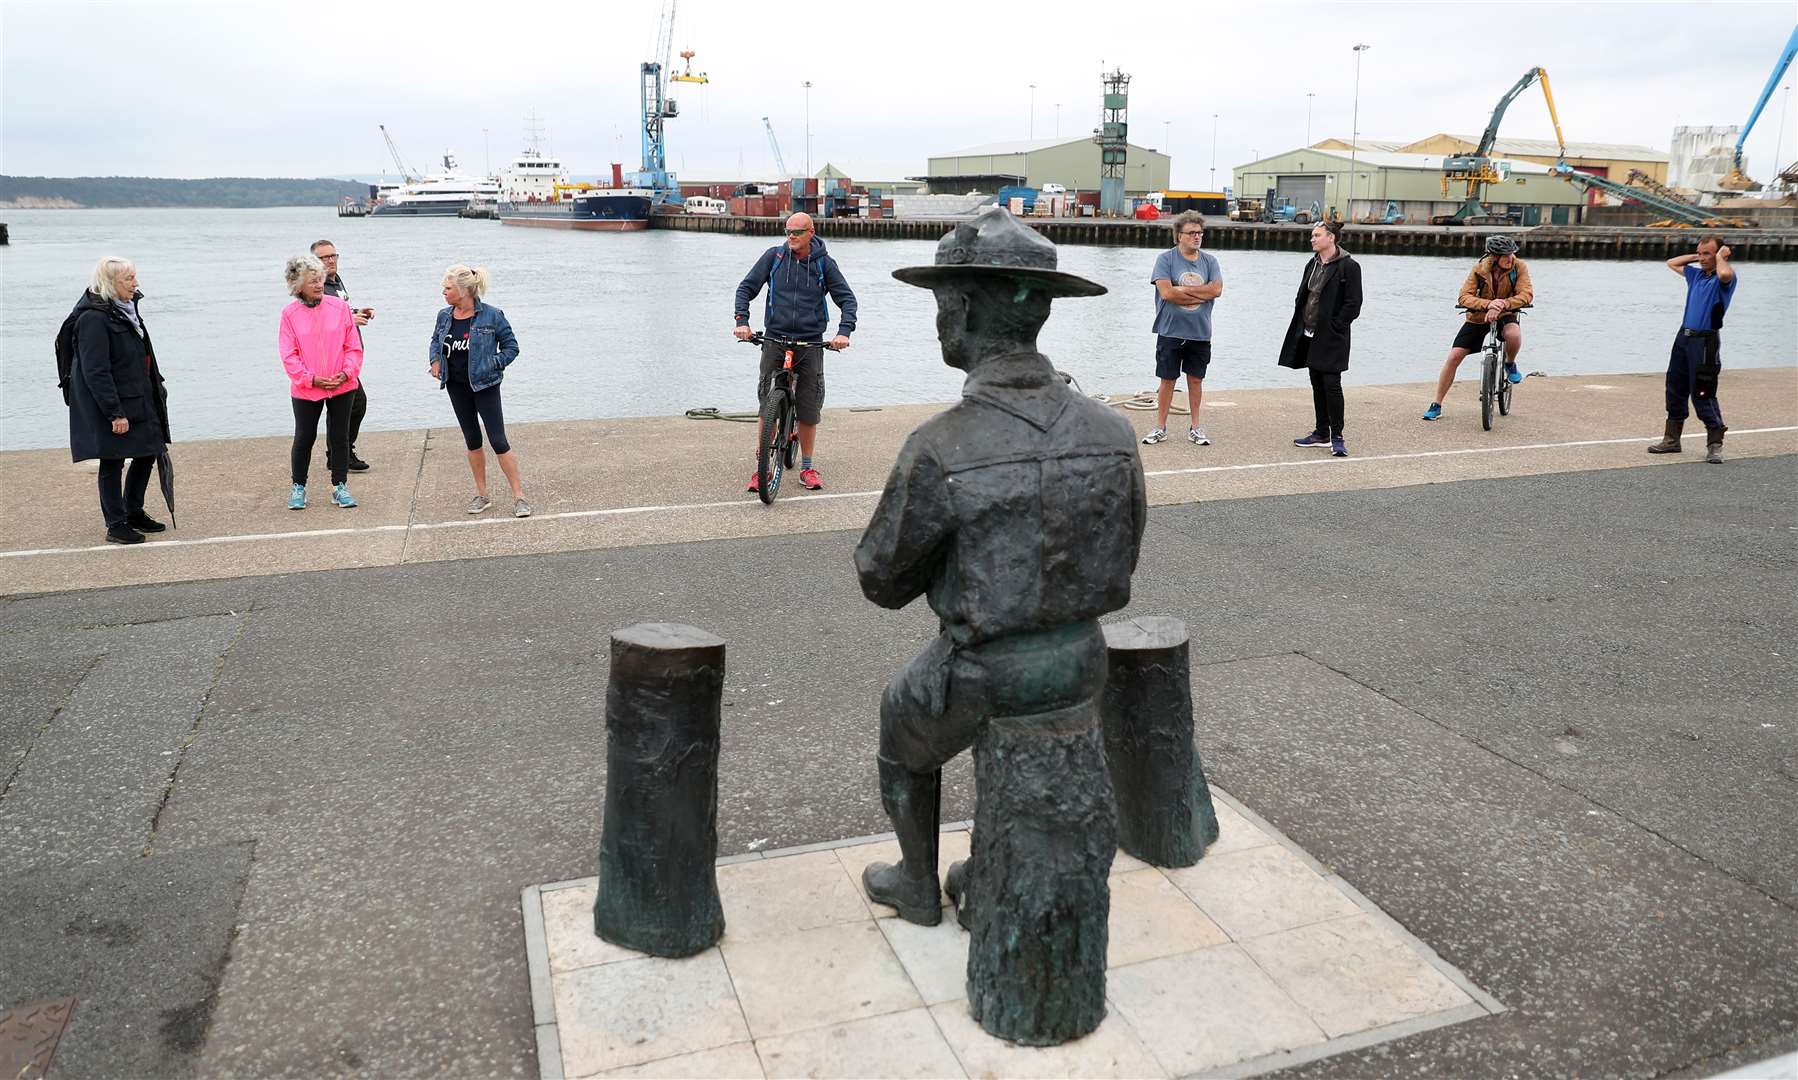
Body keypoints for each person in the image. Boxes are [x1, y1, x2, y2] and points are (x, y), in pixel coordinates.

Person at [854, 210, 1146, 925]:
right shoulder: (1112, 431)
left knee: (901, 723)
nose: (938, 322)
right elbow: (1126, 543)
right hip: (1084, 659)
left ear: (962, 310)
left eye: (941, 306)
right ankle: (988, 866)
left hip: (989, 673)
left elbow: (881, 579)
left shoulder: (940, 445)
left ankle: (918, 882)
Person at [732, 212, 857, 492]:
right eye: (787, 231)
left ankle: (807, 467)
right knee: (768, 402)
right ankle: (762, 467)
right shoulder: (774, 257)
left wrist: (843, 332)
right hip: (774, 338)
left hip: (810, 342)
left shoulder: (824, 264)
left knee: (808, 409)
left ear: (811, 232)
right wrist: (742, 322)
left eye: (797, 232)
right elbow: (746, 288)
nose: (791, 236)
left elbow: (847, 299)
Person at [67, 256, 171, 544]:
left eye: (134, 277)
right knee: (112, 461)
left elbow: (140, 355)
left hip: (138, 397)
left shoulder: (127, 310)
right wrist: (114, 413)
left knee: (148, 450)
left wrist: (157, 388)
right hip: (112, 404)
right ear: (111, 283)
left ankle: (133, 511)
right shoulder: (94, 319)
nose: (135, 283)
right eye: (129, 279)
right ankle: (116, 524)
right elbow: (95, 370)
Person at [430, 264, 530, 516]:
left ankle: (519, 497)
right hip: (456, 385)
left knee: (498, 441)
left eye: (448, 288)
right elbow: (435, 341)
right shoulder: (444, 315)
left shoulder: (492, 315)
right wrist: (435, 361)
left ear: (464, 291)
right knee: (472, 440)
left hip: (485, 385)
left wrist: (492, 363)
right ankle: (482, 495)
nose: (444, 292)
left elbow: (511, 348)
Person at [278, 253, 362, 509]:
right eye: (312, 280)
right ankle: (298, 487)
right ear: (297, 284)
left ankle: (340, 487)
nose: (318, 284)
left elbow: (353, 346)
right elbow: (288, 354)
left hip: (342, 384)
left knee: (339, 437)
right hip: (307, 389)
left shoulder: (340, 307)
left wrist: (347, 373)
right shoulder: (289, 314)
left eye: (320, 279)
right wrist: (311, 379)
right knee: (304, 437)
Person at [1423, 235, 1533, 421]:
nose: (1510, 258)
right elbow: (1464, 297)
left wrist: (1503, 304)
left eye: (1512, 254)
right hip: (1478, 317)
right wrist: (1488, 304)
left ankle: (1509, 364)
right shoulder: (1479, 269)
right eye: (1505, 255)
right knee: (1454, 356)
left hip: (1506, 313)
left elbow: (1527, 294)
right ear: (1493, 256)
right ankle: (1437, 404)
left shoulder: (1519, 267)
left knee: (1513, 333)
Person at [1278, 220, 1363, 457]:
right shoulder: (1312, 264)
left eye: (1317, 235)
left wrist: (1336, 325)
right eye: (1312, 236)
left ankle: (1337, 436)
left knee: (1331, 384)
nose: (1312, 239)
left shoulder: (1349, 266)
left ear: (1331, 238)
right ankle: (1321, 433)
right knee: (1316, 381)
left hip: (1332, 336)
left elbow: (1353, 304)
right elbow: (1304, 295)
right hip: (1309, 333)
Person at [1649, 236, 1735, 464]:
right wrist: (1698, 257)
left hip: (1705, 342)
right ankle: (1672, 439)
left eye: (1707, 253)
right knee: (1675, 386)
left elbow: (1725, 274)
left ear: (1719, 254)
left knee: (1702, 392)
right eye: (1700, 253)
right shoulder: (1696, 276)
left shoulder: (1722, 278)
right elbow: (1672, 263)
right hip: (1684, 338)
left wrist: (1719, 258)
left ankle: (1715, 444)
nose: (1702, 258)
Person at [1142, 211, 1223, 446]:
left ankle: (1196, 427)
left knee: (1195, 380)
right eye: (1191, 233)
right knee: (1167, 379)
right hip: (1170, 331)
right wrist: (1200, 292)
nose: (1197, 237)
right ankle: (1160, 427)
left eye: (1200, 233)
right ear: (1179, 236)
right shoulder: (1165, 260)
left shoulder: (1210, 262)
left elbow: (1216, 290)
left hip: (1200, 332)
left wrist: (1182, 291)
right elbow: (1166, 293)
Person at [310, 239, 375, 470]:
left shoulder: (335, 282)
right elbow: (318, 323)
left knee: (350, 406)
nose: (330, 261)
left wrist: (358, 312)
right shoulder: (316, 289)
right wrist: (349, 319)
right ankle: (339, 454)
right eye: (324, 257)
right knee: (352, 405)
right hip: (331, 359)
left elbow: (341, 310)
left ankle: (340, 452)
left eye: (333, 256)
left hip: (347, 358)